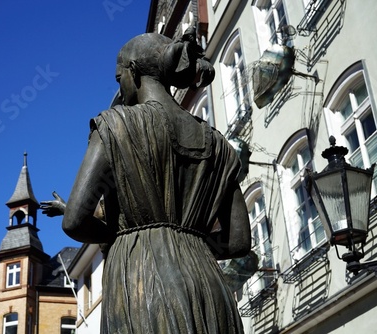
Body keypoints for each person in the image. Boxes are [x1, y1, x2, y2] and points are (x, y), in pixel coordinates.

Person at [41, 28, 251, 334]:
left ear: (133, 73)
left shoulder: (115, 126)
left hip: (141, 276)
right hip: (209, 286)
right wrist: (189, 247)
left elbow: (74, 221)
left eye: (119, 79)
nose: (121, 87)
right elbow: (239, 241)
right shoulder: (220, 146)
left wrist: (122, 234)